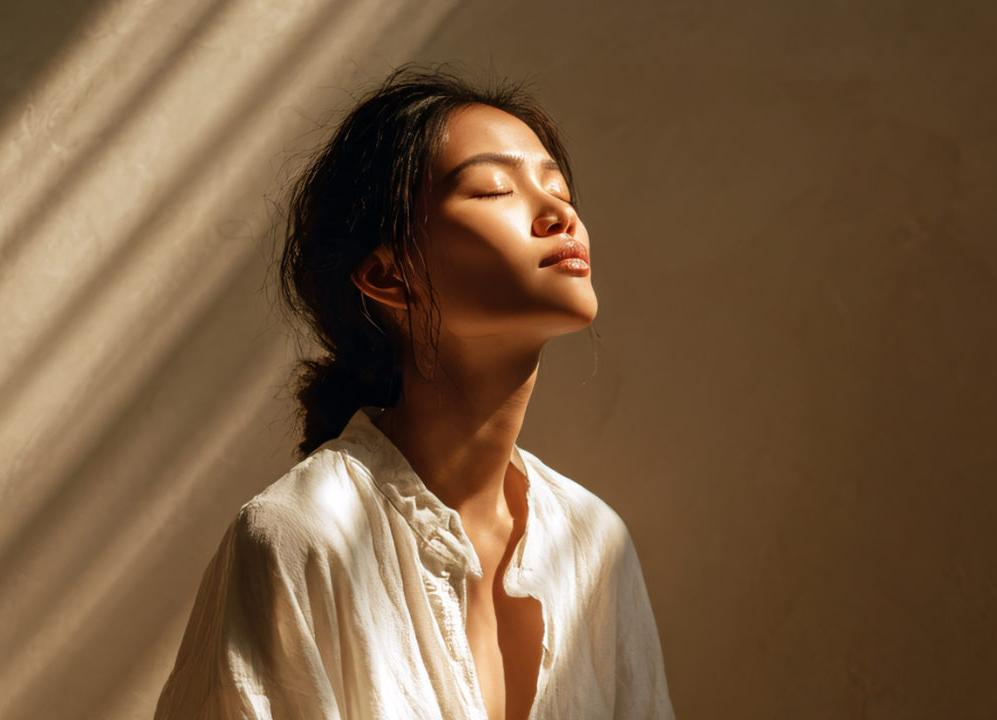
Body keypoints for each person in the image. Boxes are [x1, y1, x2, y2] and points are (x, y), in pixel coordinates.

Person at [154, 66, 674, 720]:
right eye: (493, 189)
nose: (559, 214)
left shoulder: (595, 543)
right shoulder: (300, 537)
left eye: (559, 188)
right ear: (388, 276)